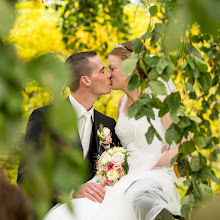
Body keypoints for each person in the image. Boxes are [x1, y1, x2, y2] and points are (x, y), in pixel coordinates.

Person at [44, 42, 183, 220]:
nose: (108, 74)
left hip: (152, 176)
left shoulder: (162, 100)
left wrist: (143, 163)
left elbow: (184, 147)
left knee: (135, 203)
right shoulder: (121, 104)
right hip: (122, 178)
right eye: (106, 69)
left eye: (112, 68)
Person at [17, 51, 120, 208]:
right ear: (86, 80)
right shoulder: (44, 118)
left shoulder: (108, 124)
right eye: (102, 70)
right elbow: (26, 178)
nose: (109, 75)